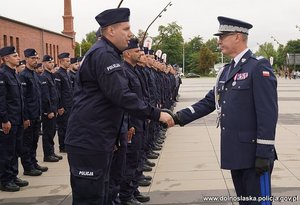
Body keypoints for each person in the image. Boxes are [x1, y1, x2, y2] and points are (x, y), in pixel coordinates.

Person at [64, 8, 173, 205]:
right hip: (89, 141)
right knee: (90, 199)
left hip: (98, 138)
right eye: (126, 28)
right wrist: (157, 114)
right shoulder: (103, 54)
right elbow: (121, 95)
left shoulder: (107, 53)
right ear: (110, 31)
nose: (131, 34)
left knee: (103, 195)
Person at [169, 16, 278, 205]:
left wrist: (264, 152)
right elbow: (209, 101)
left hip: (255, 155)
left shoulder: (257, 66)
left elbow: (268, 113)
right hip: (235, 152)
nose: (218, 41)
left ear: (238, 37)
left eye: (223, 36)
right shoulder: (226, 70)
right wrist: (178, 117)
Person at [0, 46, 29, 192]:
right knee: (6, 152)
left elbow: (20, 99)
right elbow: (1, 100)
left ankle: (13, 176)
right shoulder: (2, 74)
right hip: (9, 121)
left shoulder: (15, 74)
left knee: (16, 150)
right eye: (15, 55)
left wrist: (24, 118)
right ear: (6, 58)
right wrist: (4, 120)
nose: (18, 58)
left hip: (18, 119)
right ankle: (5, 180)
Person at [19, 48, 48, 175]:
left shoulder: (35, 75)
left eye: (36, 58)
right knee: (27, 143)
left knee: (34, 141)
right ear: (26, 59)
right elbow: (23, 99)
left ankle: (33, 162)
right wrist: (25, 117)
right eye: (33, 58)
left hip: (36, 114)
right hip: (29, 116)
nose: (35, 60)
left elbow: (38, 96)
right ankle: (28, 167)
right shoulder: (23, 76)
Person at [40, 55, 62, 162]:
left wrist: (56, 108)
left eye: (52, 62)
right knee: (48, 133)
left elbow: (55, 94)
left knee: (52, 132)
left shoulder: (51, 76)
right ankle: (47, 154)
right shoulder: (44, 76)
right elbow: (45, 96)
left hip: (54, 108)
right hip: (49, 111)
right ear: (44, 63)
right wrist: (49, 110)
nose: (51, 64)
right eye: (49, 62)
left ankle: (51, 152)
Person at [55, 52, 72, 153]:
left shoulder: (67, 73)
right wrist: (60, 106)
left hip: (69, 104)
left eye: (69, 61)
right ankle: (62, 146)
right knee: (62, 127)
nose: (69, 62)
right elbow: (58, 91)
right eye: (67, 61)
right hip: (63, 106)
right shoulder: (58, 74)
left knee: (68, 126)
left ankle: (66, 144)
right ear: (61, 61)